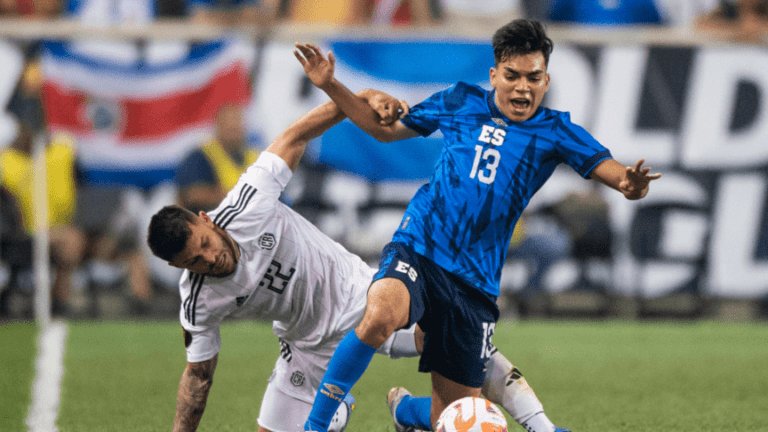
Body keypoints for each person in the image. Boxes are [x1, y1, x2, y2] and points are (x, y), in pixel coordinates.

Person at [294, 18, 661, 432]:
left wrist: (631, 184)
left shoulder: (557, 131)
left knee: (451, 418)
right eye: (513, 76)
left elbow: (617, 176)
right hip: (421, 246)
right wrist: (330, 85)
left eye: (533, 78)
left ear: (546, 80)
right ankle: (315, 425)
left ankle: (404, 412)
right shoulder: (459, 100)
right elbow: (385, 130)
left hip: (475, 281)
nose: (523, 87)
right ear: (494, 76)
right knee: (381, 314)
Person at [148, 91, 557, 431]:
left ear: (206, 220)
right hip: (305, 347)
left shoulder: (248, 203)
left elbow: (295, 135)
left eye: (205, 243)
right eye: (195, 262)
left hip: (359, 294)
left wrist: (352, 101)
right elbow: (198, 377)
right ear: (179, 268)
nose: (210, 258)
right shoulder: (197, 300)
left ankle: (544, 427)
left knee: (460, 344)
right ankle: (356, 411)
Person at [175, 103, 259, 215]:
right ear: (217, 125)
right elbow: (191, 195)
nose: (233, 128)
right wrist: (236, 196)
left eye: (237, 124)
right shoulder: (200, 157)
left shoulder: (255, 157)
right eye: (228, 125)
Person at [694, 0, 768, 43]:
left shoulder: (764, 12)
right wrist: (737, 30)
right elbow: (699, 25)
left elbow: (752, 29)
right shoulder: (726, 12)